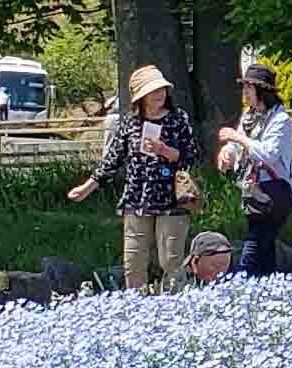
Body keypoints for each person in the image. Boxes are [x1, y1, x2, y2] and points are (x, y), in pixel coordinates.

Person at [67, 64, 200, 292]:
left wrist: (165, 151)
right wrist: (88, 186)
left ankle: (176, 308)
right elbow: (113, 159)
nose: (159, 94)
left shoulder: (178, 118)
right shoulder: (130, 122)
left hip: (172, 201)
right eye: (153, 90)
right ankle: (137, 310)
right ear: (141, 96)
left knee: (170, 260)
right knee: (134, 263)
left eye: (162, 89)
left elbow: (193, 155)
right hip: (137, 200)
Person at [216, 61, 292, 276]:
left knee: (253, 248)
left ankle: (241, 286)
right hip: (253, 192)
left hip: (274, 194)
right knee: (265, 249)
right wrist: (227, 154)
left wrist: (237, 138)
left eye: (248, 88)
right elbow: (235, 146)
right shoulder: (248, 116)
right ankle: (271, 286)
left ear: (261, 91)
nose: (245, 93)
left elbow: (269, 154)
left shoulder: (281, 120)